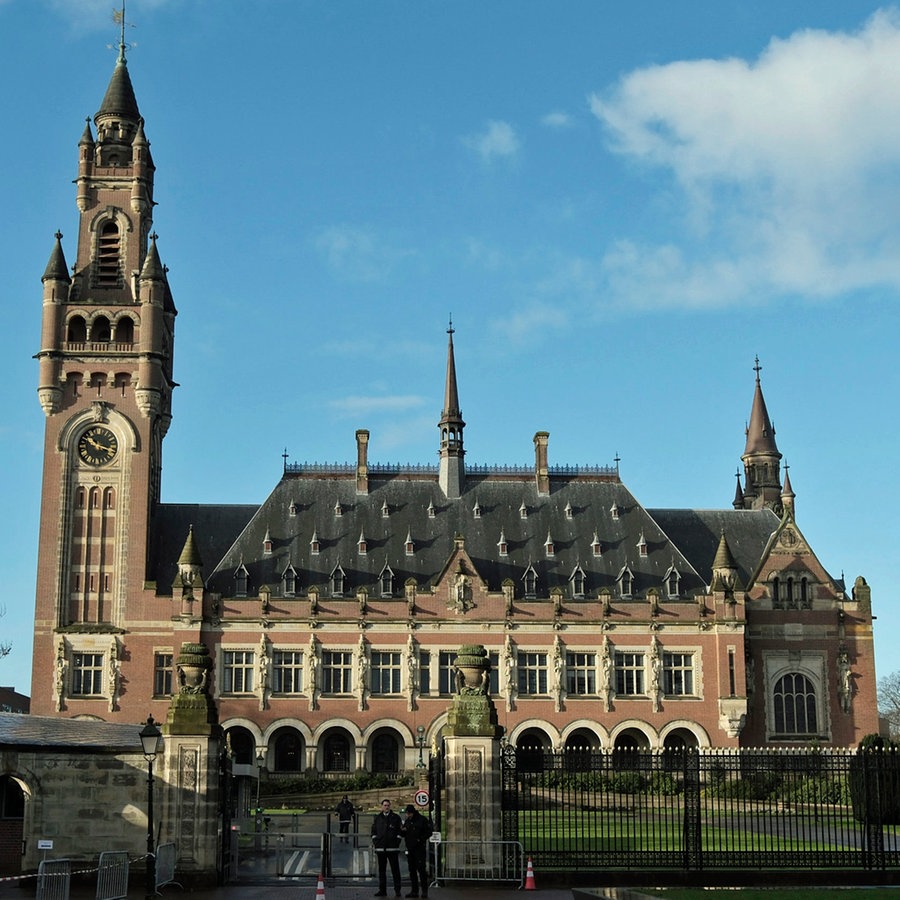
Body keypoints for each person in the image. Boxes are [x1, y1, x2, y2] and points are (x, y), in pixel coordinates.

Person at [371, 798, 402, 897]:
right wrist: (376, 842)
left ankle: (397, 890)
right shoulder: (378, 818)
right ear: (382, 806)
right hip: (381, 849)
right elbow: (373, 831)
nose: (386, 807)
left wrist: (396, 842)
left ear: (390, 806)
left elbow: (400, 832)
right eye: (385, 805)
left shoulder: (396, 817)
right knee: (382, 871)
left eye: (388, 805)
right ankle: (382, 890)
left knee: (395, 870)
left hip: (392, 849)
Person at [400, 803, 432, 899]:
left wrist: (420, 839)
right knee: (412, 871)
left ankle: (424, 891)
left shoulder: (422, 820)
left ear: (413, 813)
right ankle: (414, 891)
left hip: (419, 849)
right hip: (410, 849)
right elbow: (404, 834)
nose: (407, 815)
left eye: (409, 813)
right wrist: (402, 831)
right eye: (407, 814)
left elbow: (429, 832)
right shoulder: (408, 821)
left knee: (421, 870)